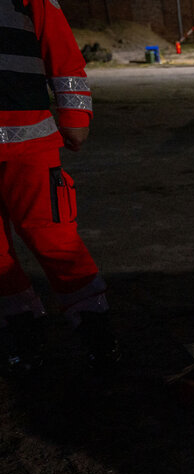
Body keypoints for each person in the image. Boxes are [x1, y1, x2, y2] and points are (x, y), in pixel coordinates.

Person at [0, 0, 120, 374]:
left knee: (54, 238)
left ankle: (95, 331)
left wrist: (74, 116)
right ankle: (22, 333)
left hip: (28, 142)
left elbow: (61, 49)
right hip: (27, 139)